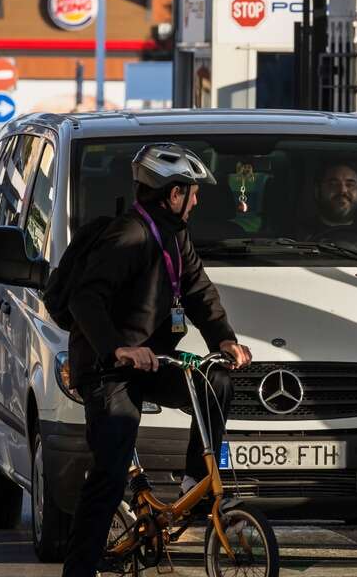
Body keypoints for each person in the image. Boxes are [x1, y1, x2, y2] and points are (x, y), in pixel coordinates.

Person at [63, 143, 253, 577]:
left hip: (152, 362)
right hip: (108, 369)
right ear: (172, 194)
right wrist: (118, 348)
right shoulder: (127, 236)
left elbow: (199, 292)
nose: (197, 200)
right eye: (192, 192)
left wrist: (224, 341)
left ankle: (193, 484)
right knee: (108, 479)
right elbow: (84, 298)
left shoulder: (175, 236)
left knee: (217, 381)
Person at [299, 162, 357, 237]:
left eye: (350, 185)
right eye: (333, 184)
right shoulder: (296, 237)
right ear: (317, 191)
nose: (343, 190)